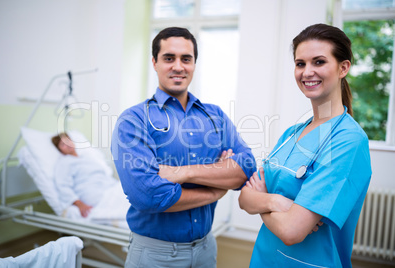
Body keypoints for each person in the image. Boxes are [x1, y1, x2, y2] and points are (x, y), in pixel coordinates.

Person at [111, 27, 256, 268]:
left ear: (194, 64)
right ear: (155, 62)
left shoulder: (215, 116)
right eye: (169, 58)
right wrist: (215, 189)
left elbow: (247, 167)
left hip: (206, 249)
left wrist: (182, 172)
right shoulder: (134, 120)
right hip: (155, 255)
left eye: (186, 59)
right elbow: (147, 195)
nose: (178, 66)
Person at [239, 23, 372, 268]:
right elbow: (245, 198)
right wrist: (276, 202)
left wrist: (263, 198)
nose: (307, 72)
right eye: (300, 63)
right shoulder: (293, 133)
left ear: (343, 68)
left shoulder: (348, 140)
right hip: (263, 260)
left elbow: (292, 231)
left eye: (318, 62)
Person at [52, 133, 116, 218]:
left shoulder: (87, 157)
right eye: (63, 144)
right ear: (59, 150)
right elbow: (63, 187)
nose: (67, 145)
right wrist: (79, 204)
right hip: (91, 192)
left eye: (67, 141)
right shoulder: (64, 163)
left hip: (108, 186)